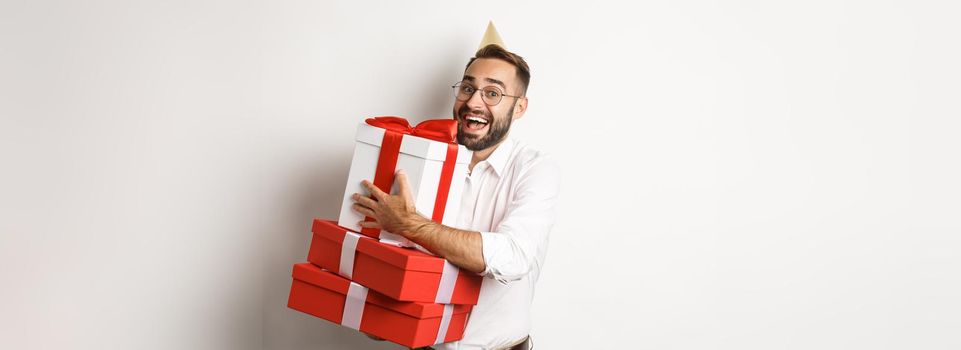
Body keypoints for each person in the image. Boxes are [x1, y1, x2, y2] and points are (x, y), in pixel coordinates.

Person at [351, 43, 560, 350]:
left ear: (519, 107)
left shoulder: (536, 169)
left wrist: (412, 225)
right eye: (467, 88)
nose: (473, 102)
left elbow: (513, 257)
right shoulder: (420, 161)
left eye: (493, 93)